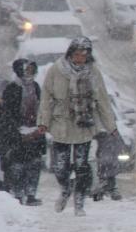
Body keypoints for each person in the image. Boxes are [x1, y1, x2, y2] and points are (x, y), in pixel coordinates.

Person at [37, 37, 117, 217]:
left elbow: (102, 100)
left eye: (84, 54)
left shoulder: (93, 73)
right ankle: (65, 188)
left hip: (84, 124)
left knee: (82, 166)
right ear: (70, 54)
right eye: (77, 54)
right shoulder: (56, 71)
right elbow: (46, 98)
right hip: (61, 125)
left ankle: (79, 202)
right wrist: (43, 121)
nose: (80, 58)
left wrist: (110, 126)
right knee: (60, 167)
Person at [0, 59, 45, 205]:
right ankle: (18, 194)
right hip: (17, 134)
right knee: (18, 165)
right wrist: (16, 131)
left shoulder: (36, 87)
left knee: (34, 164)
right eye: (26, 70)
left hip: (35, 132)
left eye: (32, 70)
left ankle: (31, 194)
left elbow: (42, 107)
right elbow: (6, 113)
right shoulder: (11, 88)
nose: (29, 73)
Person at [92, 126, 125, 201]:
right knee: (106, 170)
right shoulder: (108, 132)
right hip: (104, 156)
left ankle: (106, 188)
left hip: (105, 156)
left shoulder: (109, 132)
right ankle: (108, 189)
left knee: (106, 170)